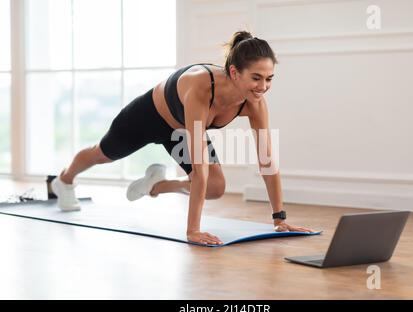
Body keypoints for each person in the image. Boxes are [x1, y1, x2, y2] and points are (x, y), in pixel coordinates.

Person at [51, 31, 316, 245]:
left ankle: (156, 186)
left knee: (216, 187)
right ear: (235, 72)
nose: (263, 87)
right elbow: (198, 168)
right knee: (102, 154)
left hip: (178, 129)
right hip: (147, 117)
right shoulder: (201, 87)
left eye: (269, 78)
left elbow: (267, 161)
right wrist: (193, 231)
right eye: (256, 78)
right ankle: (65, 180)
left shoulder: (255, 103)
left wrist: (279, 219)